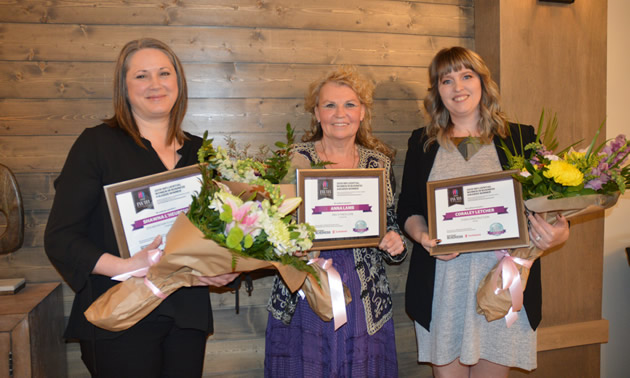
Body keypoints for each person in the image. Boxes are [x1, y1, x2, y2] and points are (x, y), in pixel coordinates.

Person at [44, 38, 237, 377]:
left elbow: (217, 233)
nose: (155, 84)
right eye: (141, 76)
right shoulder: (97, 144)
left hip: (186, 316)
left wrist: (225, 269)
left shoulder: (200, 153)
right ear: (124, 87)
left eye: (164, 73)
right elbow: (61, 238)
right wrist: (127, 265)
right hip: (121, 312)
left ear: (178, 82)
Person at [397, 46, 570, 377]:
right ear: (437, 91)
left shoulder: (519, 138)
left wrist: (559, 232)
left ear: (482, 82)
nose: (457, 87)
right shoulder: (422, 143)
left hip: (502, 281)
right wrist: (423, 237)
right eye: (446, 80)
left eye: (466, 76)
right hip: (443, 284)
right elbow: (409, 208)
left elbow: (550, 204)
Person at [265, 65, 407, 377]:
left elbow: (390, 221)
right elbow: (270, 227)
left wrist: (393, 242)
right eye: (329, 105)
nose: (339, 113)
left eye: (349, 104)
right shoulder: (293, 160)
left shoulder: (379, 163)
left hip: (364, 293)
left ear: (362, 113)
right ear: (316, 113)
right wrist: (290, 246)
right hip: (305, 286)